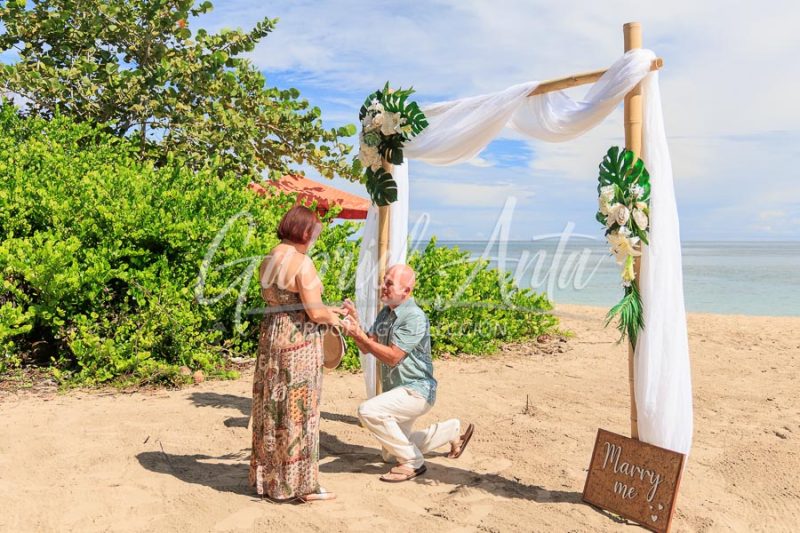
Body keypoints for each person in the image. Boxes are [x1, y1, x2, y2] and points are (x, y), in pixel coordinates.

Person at [341, 264, 474, 482]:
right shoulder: (386, 313)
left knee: (368, 411)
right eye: (383, 281)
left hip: (417, 391)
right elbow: (367, 347)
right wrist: (355, 325)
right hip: (398, 391)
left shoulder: (414, 317)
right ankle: (450, 431)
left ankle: (413, 462)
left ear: (406, 291)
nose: (383, 286)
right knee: (389, 454)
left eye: (389, 283)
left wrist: (360, 336)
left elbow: (394, 357)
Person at [249, 205, 346, 502]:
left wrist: (330, 309)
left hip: (272, 337)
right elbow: (314, 313)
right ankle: (300, 485)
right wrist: (337, 319)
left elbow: (288, 302)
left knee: (271, 408)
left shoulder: (268, 259)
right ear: (304, 232)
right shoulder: (302, 263)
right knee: (299, 412)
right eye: (314, 232)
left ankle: (270, 481)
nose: (315, 237)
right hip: (298, 343)